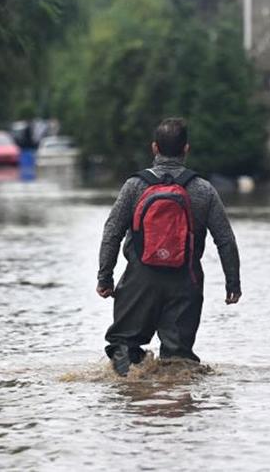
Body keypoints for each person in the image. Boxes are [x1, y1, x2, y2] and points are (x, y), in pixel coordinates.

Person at [96, 118, 242, 375]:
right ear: (186, 149)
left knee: (122, 347)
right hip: (185, 282)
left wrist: (104, 277)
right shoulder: (203, 190)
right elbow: (225, 240)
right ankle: (176, 408)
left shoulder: (134, 186)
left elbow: (112, 232)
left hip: (139, 281)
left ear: (155, 148)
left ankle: (125, 399)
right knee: (178, 361)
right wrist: (233, 284)